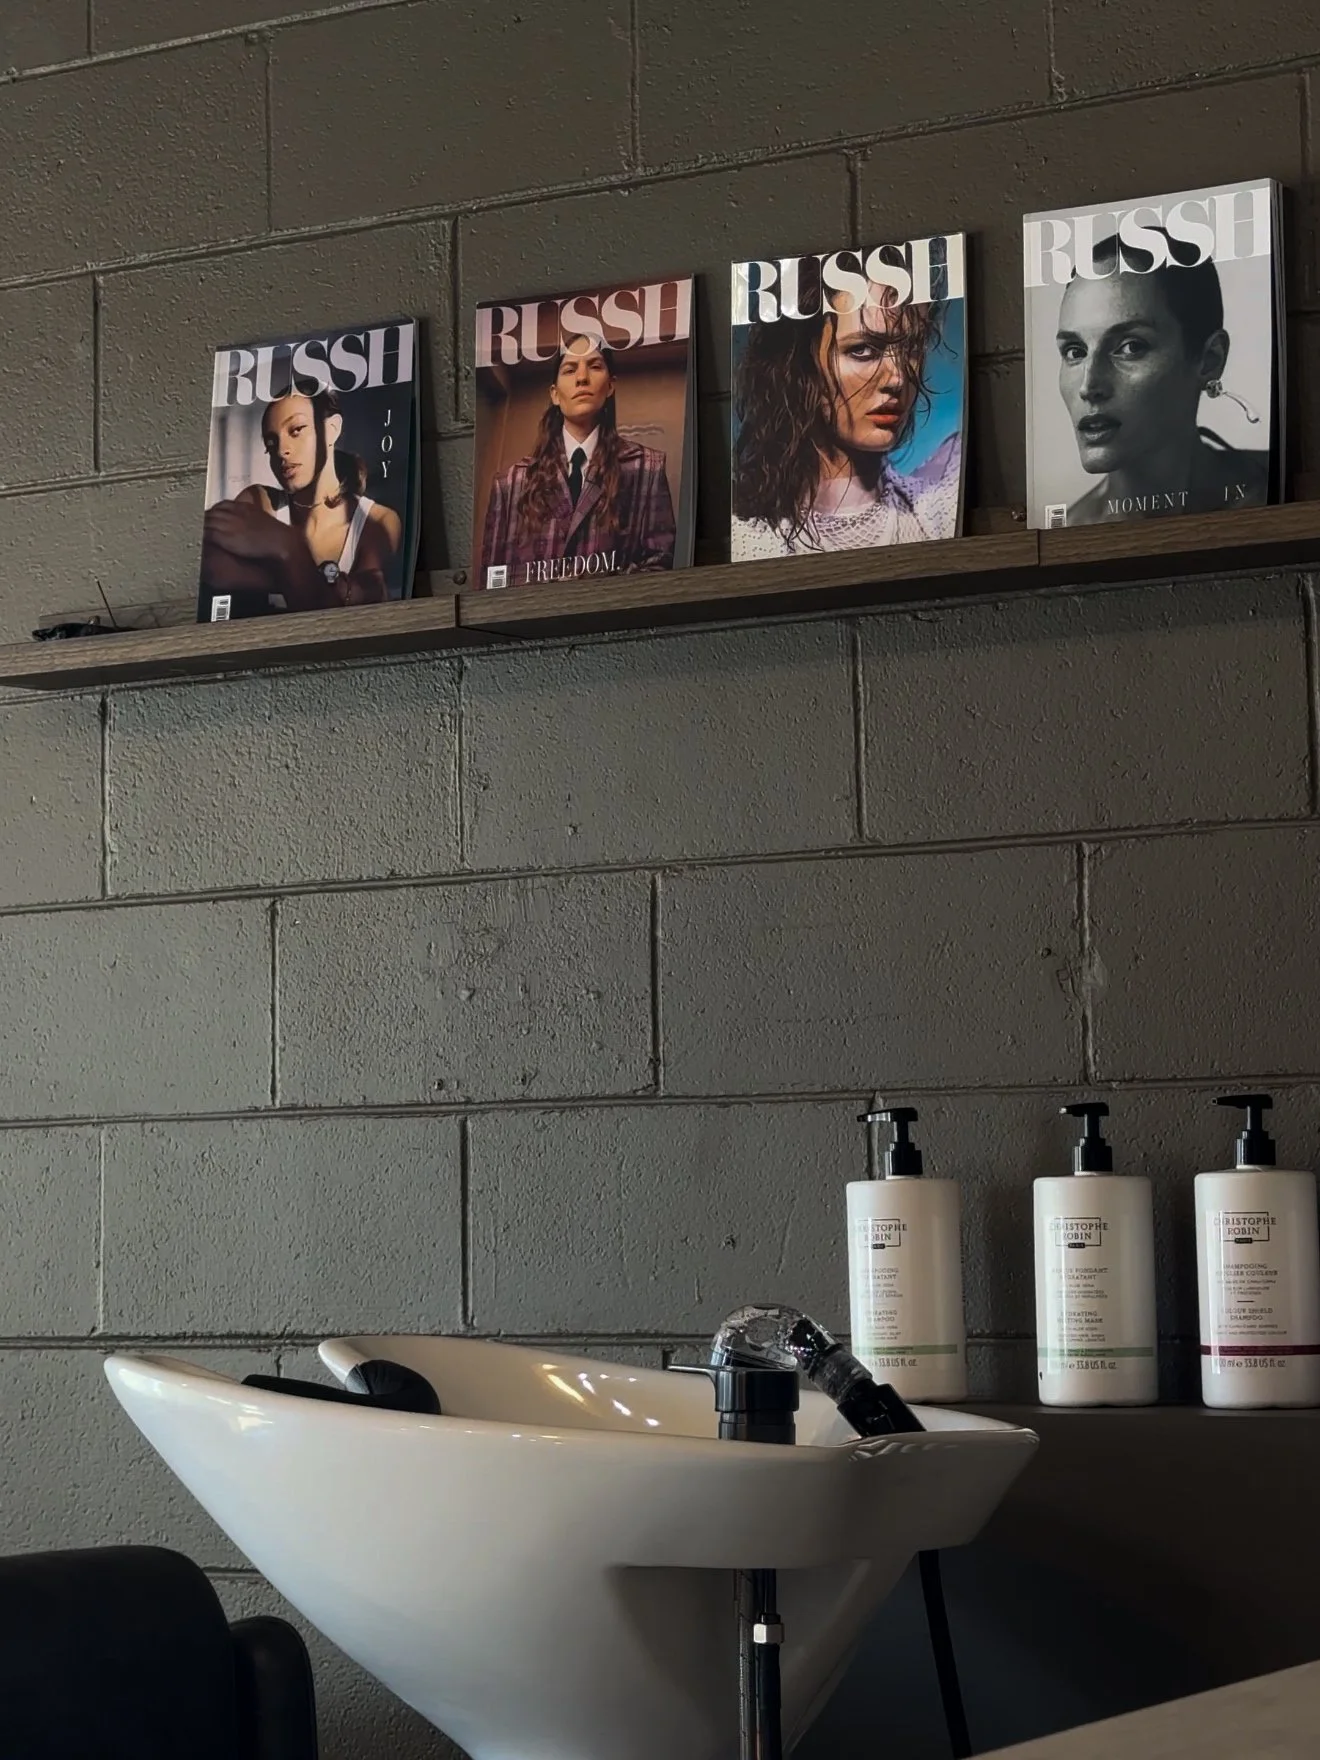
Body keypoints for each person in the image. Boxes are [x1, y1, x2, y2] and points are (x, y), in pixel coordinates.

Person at [731, 257, 960, 558]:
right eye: (863, 349)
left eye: (911, 348)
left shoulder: (936, 508)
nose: (898, 378)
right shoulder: (745, 537)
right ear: (799, 365)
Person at [1053, 228, 1269, 524]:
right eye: (1075, 351)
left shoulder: (1278, 485)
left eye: (1130, 347)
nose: (1089, 386)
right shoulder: (1067, 533)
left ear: (1209, 359)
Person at [478, 337, 676, 584]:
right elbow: (492, 587)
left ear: (611, 386)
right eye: (570, 370)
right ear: (555, 394)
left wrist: (591, 584)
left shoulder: (647, 468)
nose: (582, 378)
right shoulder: (510, 483)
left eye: (594, 366)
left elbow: (660, 569)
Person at [201, 387, 402, 614]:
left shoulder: (378, 520)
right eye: (271, 443)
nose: (282, 451)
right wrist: (317, 579)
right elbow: (216, 572)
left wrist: (288, 548)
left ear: (332, 429)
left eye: (296, 430)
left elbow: (365, 610)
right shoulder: (259, 501)